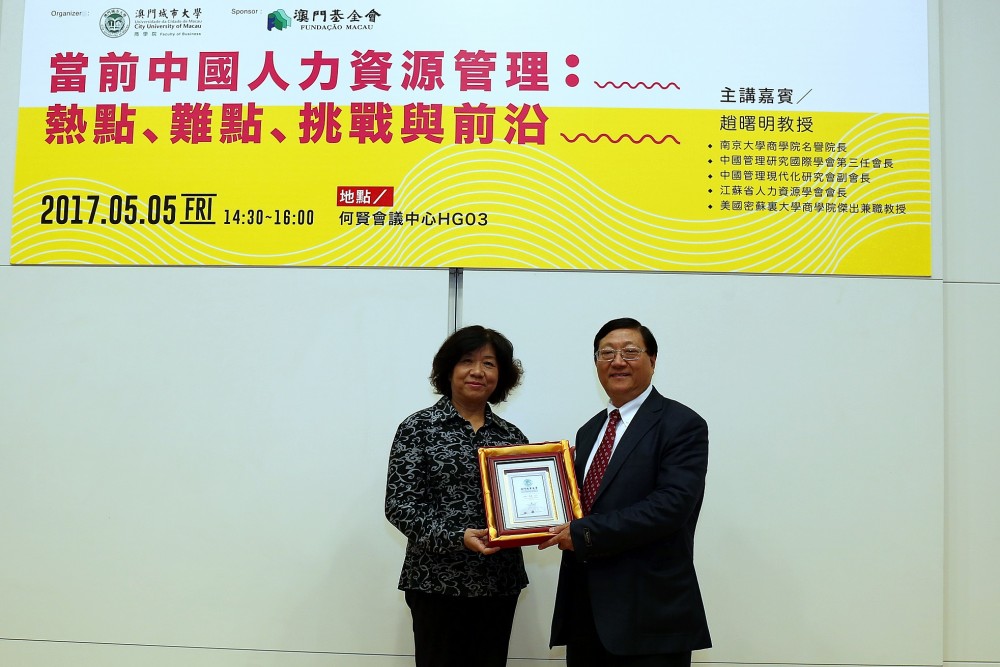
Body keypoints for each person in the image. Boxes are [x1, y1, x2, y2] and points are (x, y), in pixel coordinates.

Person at [540, 317, 711, 667]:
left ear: (653, 360)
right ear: (596, 364)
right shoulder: (590, 431)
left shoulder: (682, 424)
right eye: (607, 353)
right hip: (586, 611)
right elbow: (582, 505)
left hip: (649, 614)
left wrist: (583, 532)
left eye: (630, 351)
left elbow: (670, 506)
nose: (618, 361)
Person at [385, 325, 529, 667]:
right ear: (449, 368)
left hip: (498, 583)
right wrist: (456, 537)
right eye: (467, 360)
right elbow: (399, 505)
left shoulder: (512, 437)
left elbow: (526, 505)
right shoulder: (417, 428)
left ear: (502, 376)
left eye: (490, 363)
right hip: (436, 582)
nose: (478, 371)